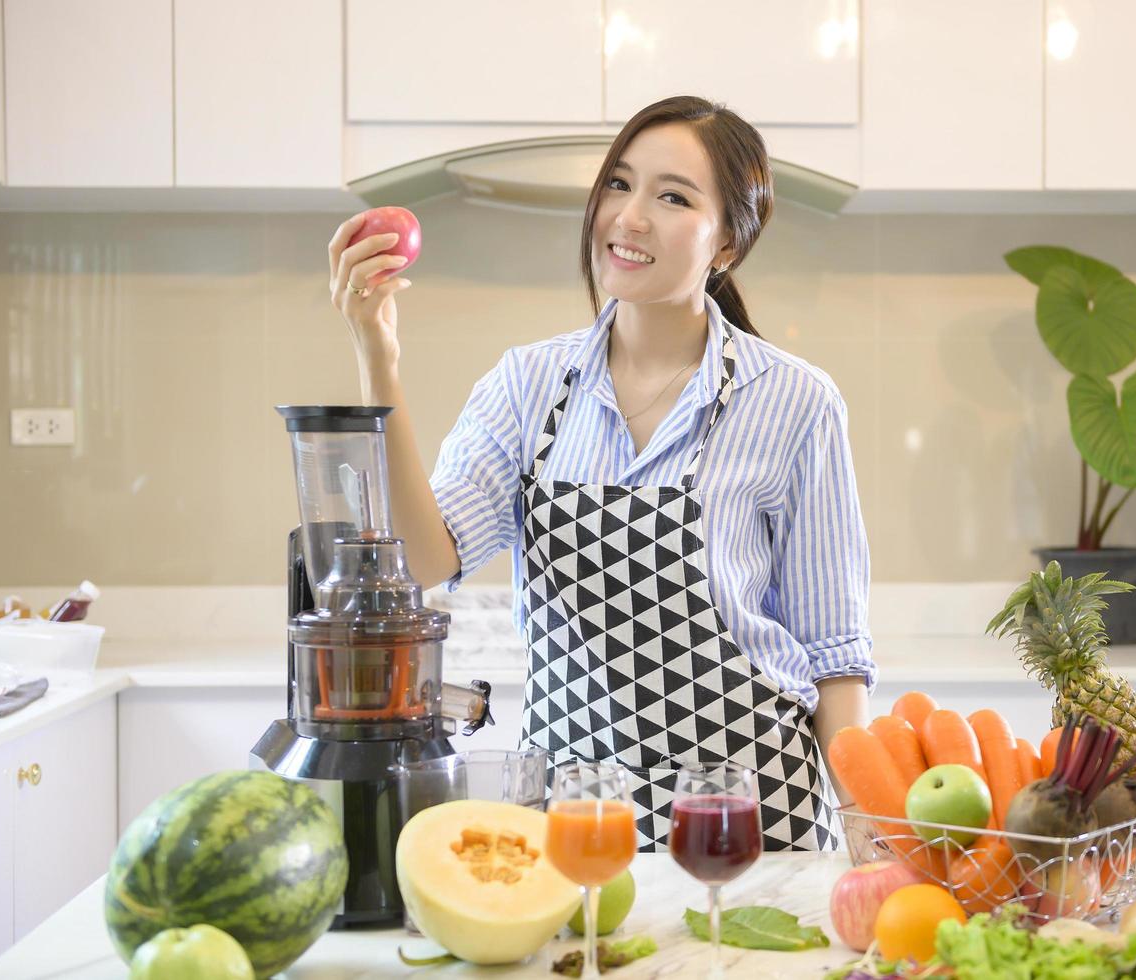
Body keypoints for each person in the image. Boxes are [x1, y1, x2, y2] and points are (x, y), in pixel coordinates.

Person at [328, 95, 874, 851]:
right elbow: (423, 560)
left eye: (672, 196)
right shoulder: (527, 386)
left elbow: (833, 657)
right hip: (578, 817)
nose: (630, 217)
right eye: (619, 184)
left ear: (726, 246)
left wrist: (866, 833)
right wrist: (377, 356)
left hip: (748, 817)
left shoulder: (794, 401)